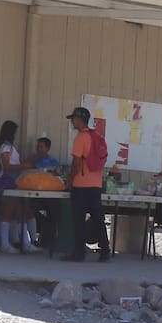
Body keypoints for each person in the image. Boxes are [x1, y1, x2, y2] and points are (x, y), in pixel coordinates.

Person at [63, 107, 110, 262]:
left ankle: (79, 253)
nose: (72, 122)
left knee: (79, 220)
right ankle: (105, 251)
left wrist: (70, 178)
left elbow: (76, 162)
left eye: (73, 119)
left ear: (79, 120)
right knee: (98, 219)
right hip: (96, 184)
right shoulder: (97, 136)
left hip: (81, 185)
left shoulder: (81, 138)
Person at [0, 120, 41, 254]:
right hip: (9, 181)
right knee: (8, 212)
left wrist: (27, 161)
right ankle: (5, 243)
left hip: (16, 182)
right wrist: (24, 166)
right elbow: (7, 166)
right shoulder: (5, 147)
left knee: (21, 211)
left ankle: (25, 242)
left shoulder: (10, 147)